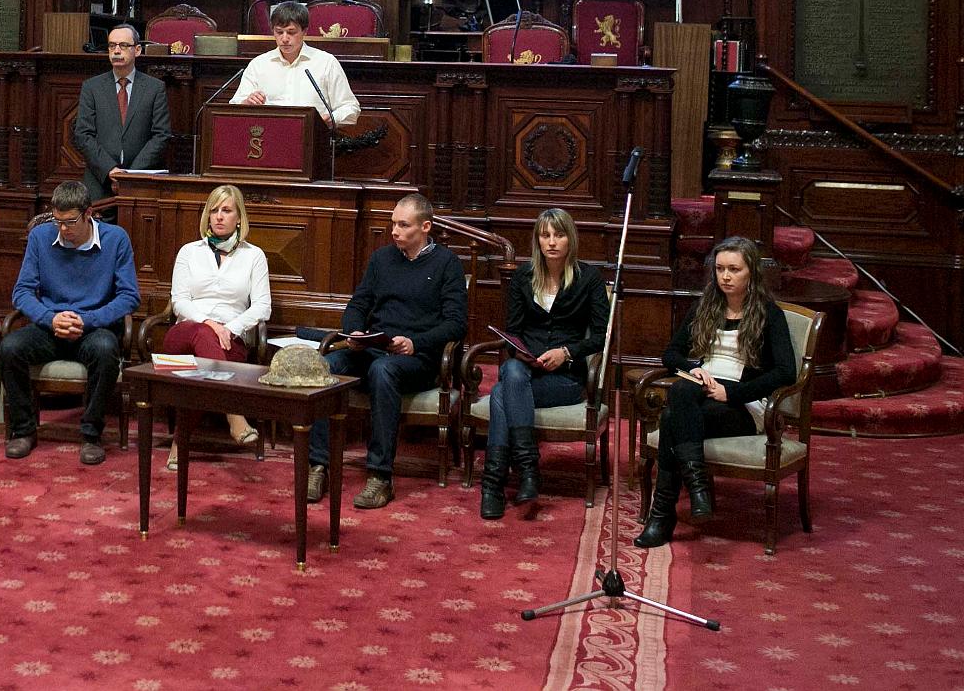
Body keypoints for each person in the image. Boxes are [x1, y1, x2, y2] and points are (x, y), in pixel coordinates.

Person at [635, 236, 797, 549]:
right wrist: (693, 368)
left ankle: (663, 515)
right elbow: (671, 354)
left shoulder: (768, 313)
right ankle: (696, 490)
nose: (725, 276)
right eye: (720, 269)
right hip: (701, 391)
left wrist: (732, 394)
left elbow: (785, 372)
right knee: (684, 389)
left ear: (751, 272)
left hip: (744, 405)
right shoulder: (706, 306)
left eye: (734, 269)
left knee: (671, 418)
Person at [306, 193, 466, 510]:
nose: (394, 231)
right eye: (393, 223)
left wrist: (416, 342)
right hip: (375, 348)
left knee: (384, 371)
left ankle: (380, 477)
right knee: (325, 364)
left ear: (425, 227)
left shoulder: (447, 264)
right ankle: (318, 466)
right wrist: (354, 331)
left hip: (418, 359)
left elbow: (456, 325)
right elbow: (358, 305)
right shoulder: (382, 259)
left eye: (403, 225)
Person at [0, 179, 139, 466]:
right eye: (58, 221)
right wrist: (50, 319)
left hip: (93, 328)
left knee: (105, 350)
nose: (63, 229)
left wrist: (87, 320)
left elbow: (129, 297)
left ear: (88, 214)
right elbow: (22, 292)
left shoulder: (116, 239)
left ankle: (90, 435)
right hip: (50, 327)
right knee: (9, 348)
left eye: (70, 222)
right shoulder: (40, 238)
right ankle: (23, 430)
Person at [479, 208, 608, 518]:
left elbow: (602, 336)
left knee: (500, 394)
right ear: (537, 240)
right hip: (526, 370)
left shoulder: (588, 278)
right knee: (511, 369)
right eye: (545, 235)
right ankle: (525, 472)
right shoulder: (523, 276)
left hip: (566, 379)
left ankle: (495, 484)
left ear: (570, 239)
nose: (552, 242)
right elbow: (514, 331)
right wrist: (521, 351)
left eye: (559, 235)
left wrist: (566, 352)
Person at [162, 183, 272, 465]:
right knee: (202, 333)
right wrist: (211, 323)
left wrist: (230, 328)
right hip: (182, 337)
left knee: (202, 371)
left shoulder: (253, 256)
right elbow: (180, 301)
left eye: (226, 210)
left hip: (229, 342)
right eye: (213, 211)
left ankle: (180, 442)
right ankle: (235, 416)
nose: (219, 216)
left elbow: (262, 306)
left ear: (239, 218)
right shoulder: (190, 252)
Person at [70, 22, 171, 202]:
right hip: (100, 181)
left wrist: (129, 176)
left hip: (141, 181)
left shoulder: (154, 88)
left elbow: (161, 135)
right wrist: (110, 170)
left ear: (138, 50)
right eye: (112, 46)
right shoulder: (92, 87)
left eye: (123, 45)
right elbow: (83, 134)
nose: (116, 51)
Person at [230, 0, 361, 127]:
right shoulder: (259, 64)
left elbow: (350, 107)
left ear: (304, 31)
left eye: (291, 32)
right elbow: (233, 107)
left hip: (312, 137)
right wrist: (247, 102)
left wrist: (329, 118)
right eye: (279, 32)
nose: (285, 38)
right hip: (266, 138)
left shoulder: (326, 62)